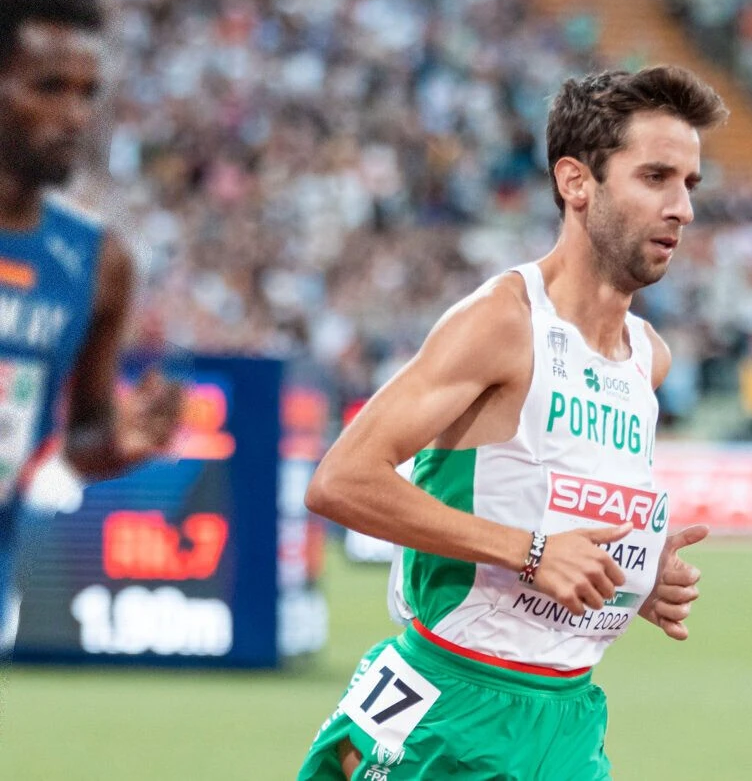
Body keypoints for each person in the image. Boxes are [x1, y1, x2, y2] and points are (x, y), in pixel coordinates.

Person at [300, 65, 727, 780]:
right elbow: (340, 481)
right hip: (452, 706)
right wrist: (531, 551)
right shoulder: (503, 322)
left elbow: (558, 510)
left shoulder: (647, 359)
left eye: (690, 184)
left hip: (568, 715)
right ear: (576, 182)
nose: (682, 207)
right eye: (656, 177)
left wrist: (634, 581)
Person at [0, 0, 182, 647]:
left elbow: (82, 442)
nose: (74, 115)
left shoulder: (97, 262)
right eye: (48, 88)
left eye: (87, 93)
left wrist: (124, 442)